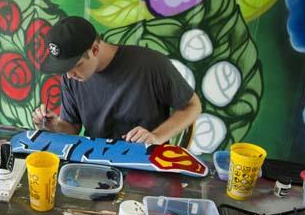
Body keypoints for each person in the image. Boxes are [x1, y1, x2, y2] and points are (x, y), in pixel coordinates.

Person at [32, 16, 201, 145]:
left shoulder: (151, 65)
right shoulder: (70, 76)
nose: (68, 75)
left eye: (75, 65)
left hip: (144, 162)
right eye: (64, 68)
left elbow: (193, 106)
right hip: (95, 162)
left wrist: (156, 136)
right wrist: (55, 126)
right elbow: (73, 128)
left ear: (95, 49)